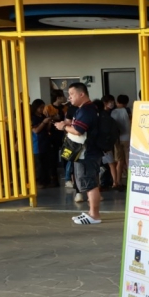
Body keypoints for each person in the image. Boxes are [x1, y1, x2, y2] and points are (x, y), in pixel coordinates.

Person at [55, 82, 103, 224]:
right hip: (87, 152)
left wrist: (63, 126)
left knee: (90, 183)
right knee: (88, 182)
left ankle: (94, 215)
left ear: (81, 94)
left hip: (87, 153)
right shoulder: (85, 109)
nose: (69, 97)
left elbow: (78, 130)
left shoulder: (86, 110)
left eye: (72, 94)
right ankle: (91, 212)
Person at [112, 94, 132, 189]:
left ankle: (118, 181)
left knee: (119, 161)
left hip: (117, 139)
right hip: (127, 138)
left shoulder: (113, 111)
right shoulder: (128, 111)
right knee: (128, 161)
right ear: (127, 102)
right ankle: (130, 180)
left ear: (117, 102)